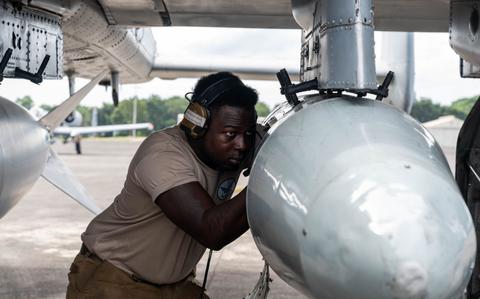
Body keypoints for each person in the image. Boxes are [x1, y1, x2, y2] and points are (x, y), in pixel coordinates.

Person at [66, 72, 262, 298]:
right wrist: (266, 180)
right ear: (197, 123)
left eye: (248, 133)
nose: (242, 144)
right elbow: (211, 231)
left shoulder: (231, 150)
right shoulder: (163, 155)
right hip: (115, 277)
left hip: (175, 284)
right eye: (230, 134)